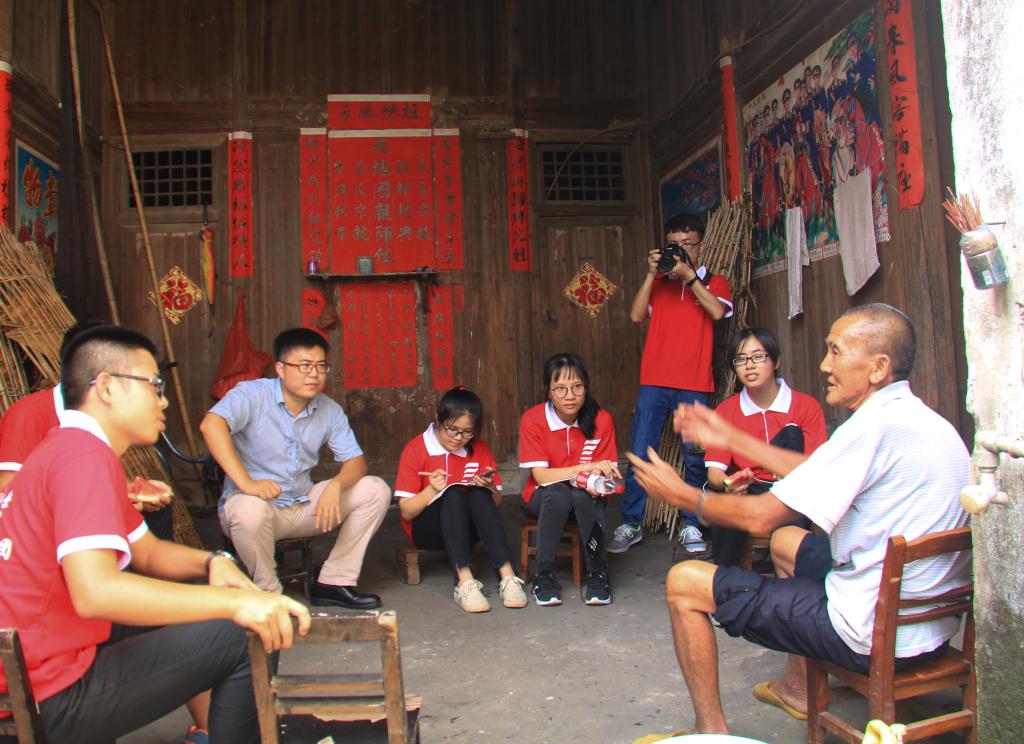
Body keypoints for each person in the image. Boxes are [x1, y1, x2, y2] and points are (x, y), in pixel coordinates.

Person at [627, 304, 970, 735]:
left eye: (836, 351)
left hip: (871, 632)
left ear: (878, 367)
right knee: (788, 540)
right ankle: (796, 689)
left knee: (685, 582)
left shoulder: (870, 427)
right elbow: (811, 471)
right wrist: (730, 437)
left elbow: (760, 517)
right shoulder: (919, 419)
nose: (825, 364)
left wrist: (681, 494)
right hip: (929, 627)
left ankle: (710, 732)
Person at [0, 325, 310, 743]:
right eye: (153, 385)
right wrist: (239, 603)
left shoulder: (68, 448)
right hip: (46, 692)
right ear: (107, 387)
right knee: (246, 633)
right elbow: (96, 593)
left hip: (33, 668)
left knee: (199, 593)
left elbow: (146, 552)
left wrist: (213, 562)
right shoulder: (82, 457)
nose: (162, 400)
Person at [201, 327, 391, 609]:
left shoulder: (328, 409)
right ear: (280, 368)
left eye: (321, 366)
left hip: (303, 506)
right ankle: (269, 596)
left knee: (375, 489)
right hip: (258, 511)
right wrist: (247, 483)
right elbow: (211, 425)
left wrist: (336, 485)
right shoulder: (252, 394)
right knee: (247, 509)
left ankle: (333, 582)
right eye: (304, 365)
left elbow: (356, 462)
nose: (313, 374)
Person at [608, 213, 733, 556]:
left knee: (695, 457)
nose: (681, 251)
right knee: (640, 452)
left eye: (687, 244)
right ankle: (631, 522)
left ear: (701, 246)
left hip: (694, 383)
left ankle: (691, 523)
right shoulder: (660, 283)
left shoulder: (715, 282)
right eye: (674, 245)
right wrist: (652, 274)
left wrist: (690, 278)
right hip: (654, 382)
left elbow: (717, 313)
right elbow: (636, 315)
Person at [394, 387, 528, 613]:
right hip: (427, 531)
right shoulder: (416, 449)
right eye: (453, 430)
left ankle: (507, 575)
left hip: (468, 531)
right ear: (438, 419)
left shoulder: (479, 448)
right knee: (454, 493)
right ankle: (464, 582)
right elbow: (406, 512)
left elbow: (496, 504)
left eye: (467, 432)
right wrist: (431, 490)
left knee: (478, 493)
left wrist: (488, 487)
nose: (459, 438)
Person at [702, 327, 826, 566]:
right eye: (741, 359)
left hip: (792, 491)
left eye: (758, 357)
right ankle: (727, 582)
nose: (749, 366)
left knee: (791, 433)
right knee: (723, 513)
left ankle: (793, 580)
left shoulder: (806, 407)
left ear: (776, 361)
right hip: (749, 490)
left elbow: (817, 467)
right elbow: (715, 472)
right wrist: (730, 484)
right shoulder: (726, 412)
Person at [519, 353, 620, 607]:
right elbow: (541, 477)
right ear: (549, 391)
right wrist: (586, 467)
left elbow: (607, 472)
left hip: (586, 494)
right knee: (557, 494)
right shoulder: (533, 419)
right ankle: (544, 575)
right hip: (543, 495)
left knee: (581, 494)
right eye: (560, 389)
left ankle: (598, 573)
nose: (570, 395)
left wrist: (598, 479)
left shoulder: (601, 420)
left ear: (586, 387)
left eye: (577, 387)